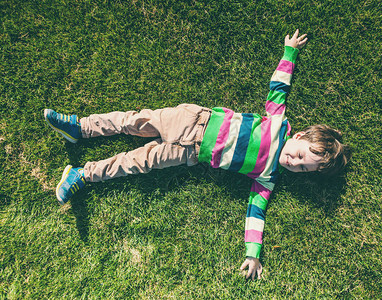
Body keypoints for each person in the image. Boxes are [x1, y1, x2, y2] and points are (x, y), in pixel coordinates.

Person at [43, 30, 351, 280]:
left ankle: (83, 174)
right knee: (132, 121)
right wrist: (290, 52)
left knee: (137, 162)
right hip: (194, 120)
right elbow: (278, 88)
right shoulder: (277, 122)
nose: (293, 163)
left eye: (300, 169)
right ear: (298, 137)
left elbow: (256, 212)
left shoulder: (268, 177)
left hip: (189, 152)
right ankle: (79, 127)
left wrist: (252, 253)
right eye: (299, 155)